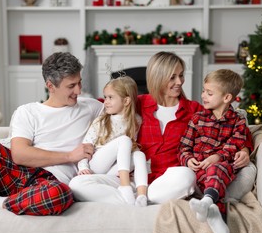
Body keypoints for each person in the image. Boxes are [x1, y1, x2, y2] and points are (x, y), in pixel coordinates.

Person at [69, 51, 252, 207]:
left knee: (187, 176)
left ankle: (140, 199)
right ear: (158, 78)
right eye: (172, 77)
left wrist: (244, 148)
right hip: (129, 178)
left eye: (181, 75)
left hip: (167, 180)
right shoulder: (138, 103)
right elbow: (104, 103)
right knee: (77, 184)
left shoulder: (195, 110)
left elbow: (230, 123)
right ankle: (131, 199)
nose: (179, 81)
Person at [0, 52, 103, 220]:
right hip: (14, 172)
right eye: (71, 86)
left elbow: (124, 112)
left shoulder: (91, 107)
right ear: (50, 86)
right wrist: (70, 156)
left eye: (79, 82)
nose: (78, 91)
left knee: (61, 194)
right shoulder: (28, 111)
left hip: (47, 183)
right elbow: (20, 154)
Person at [179, 69, 249, 233]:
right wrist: (187, 160)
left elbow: (235, 144)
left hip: (223, 167)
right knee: (207, 173)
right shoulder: (197, 118)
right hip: (199, 169)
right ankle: (215, 212)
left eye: (209, 93)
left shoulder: (238, 121)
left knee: (216, 169)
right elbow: (184, 146)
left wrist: (218, 157)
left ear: (226, 98)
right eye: (203, 91)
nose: (203, 95)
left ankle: (207, 201)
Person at [77, 76, 148, 207]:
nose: (106, 102)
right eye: (105, 97)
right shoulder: (101, 121)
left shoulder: (136, 121)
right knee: (125, 140)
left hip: (114, 171)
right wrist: (83, 167)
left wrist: (133, 166)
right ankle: (125, 187)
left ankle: (142, 195)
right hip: (97, 165)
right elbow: (85, 146)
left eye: (110, 97)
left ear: (126, 101)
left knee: (139, 154)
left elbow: (131, 148)